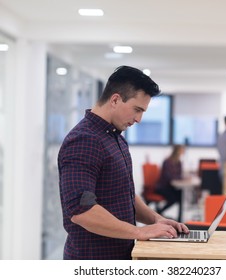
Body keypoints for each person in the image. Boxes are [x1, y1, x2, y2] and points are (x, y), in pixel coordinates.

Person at [57, 66, 189, 260]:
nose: (139, 119)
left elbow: (124, 192)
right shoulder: (84, 140)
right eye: (137, 110)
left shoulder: (115, 138)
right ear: (115, 99)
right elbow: (81, 211)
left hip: (121, 254)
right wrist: (140, 232)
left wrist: (156, 219)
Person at [155, 145, 185, 222]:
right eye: (182, 149)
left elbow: (179, 175)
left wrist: (181, 178)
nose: (183, 151)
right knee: (173, 198)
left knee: (180, 195)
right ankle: (159, 212)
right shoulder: (167, 161)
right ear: (177, 151)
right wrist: (178, 178)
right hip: (163, 187)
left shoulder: (179, 162)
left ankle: (179, 219)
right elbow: (169, 177)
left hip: (171, 187)